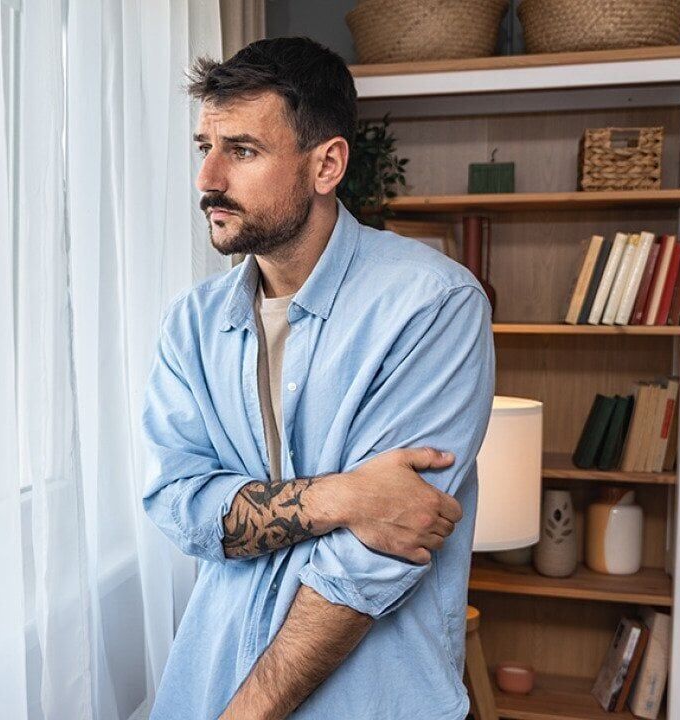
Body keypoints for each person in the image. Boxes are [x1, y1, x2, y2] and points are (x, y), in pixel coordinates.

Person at [140, 36, 496, 719]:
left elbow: (376, 554)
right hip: (205, 682)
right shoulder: (189, 324)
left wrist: (245, 714)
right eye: (204, 147)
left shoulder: (433, 305)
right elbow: (180, 506)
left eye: (243, 150)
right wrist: (343, 496)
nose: (208, 178)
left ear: (326, 164)